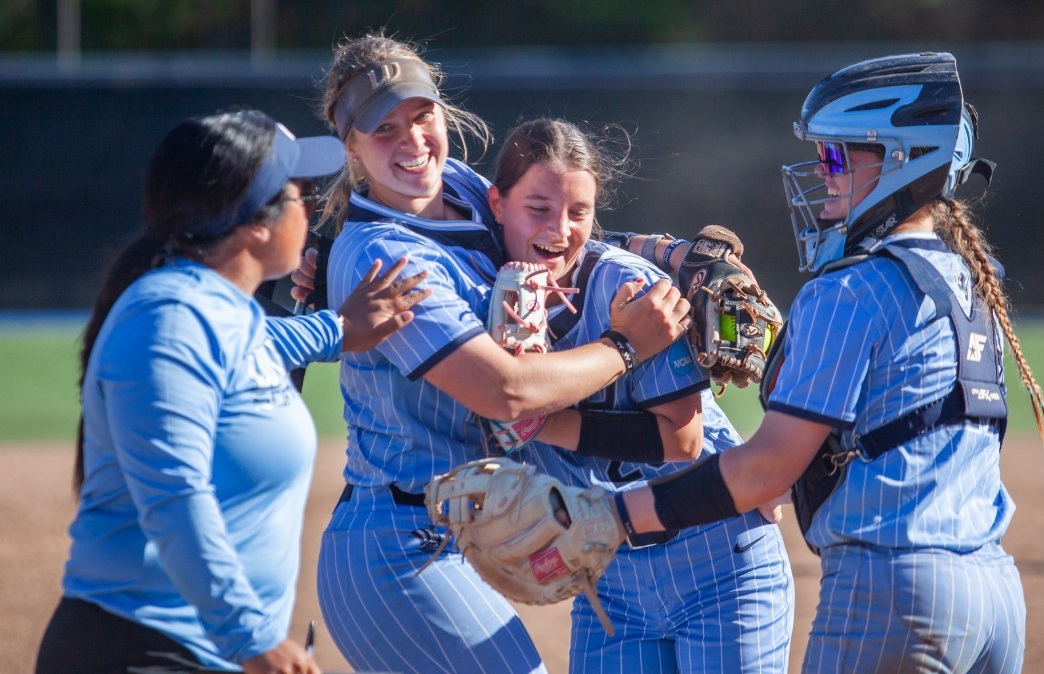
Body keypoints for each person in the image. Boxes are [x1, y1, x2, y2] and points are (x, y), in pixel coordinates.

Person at [607, 52, 1044, 673]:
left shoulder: (848, 289)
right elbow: (891, 423)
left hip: (893, 591)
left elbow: (766, 471)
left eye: (837, 155)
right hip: (993, 595)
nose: (821, 170)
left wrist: (611, 516)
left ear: (900, 161)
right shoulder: (975, 280)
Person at [311, 34, 690, 674]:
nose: (412, 141)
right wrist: (627, 345)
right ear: (351, 147)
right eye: (384, 129)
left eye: (421, 115)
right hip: (396, 548)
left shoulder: (459, 185)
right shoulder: (384, 254)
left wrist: (673, 255)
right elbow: (505, 392)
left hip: (442, 537)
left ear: (442, 110)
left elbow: (550, 227)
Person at [35, 109, 431, 674]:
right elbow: (175, 496)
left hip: (196, 651)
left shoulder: (216, 314)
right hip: (142, 652)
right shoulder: (169, 319)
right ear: (256, 223)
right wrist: (250, 639)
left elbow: (255, 343)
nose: (313, 206)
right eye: (300, 193)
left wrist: (339, 329)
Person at [489, 117, 794, 673]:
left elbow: (682, 439)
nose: (560, 230)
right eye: (538, 208)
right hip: (610, 585)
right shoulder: (479, 285)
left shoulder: (628, 289)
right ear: (496, 204)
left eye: (579, 212)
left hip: (719, 563)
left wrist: (536, 419)